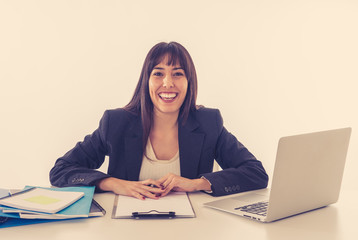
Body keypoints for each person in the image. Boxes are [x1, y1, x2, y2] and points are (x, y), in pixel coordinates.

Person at [49, 41, 268, 200]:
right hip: (124, 228)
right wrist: (114, 184)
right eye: (158, 73)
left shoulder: (209, 122)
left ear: (189, 82)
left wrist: (197, 184)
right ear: (146, 81)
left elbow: (256, 173)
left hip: (194, 229)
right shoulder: (116, 123)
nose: (167, 83)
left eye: (178, 74)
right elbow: (61, 170)